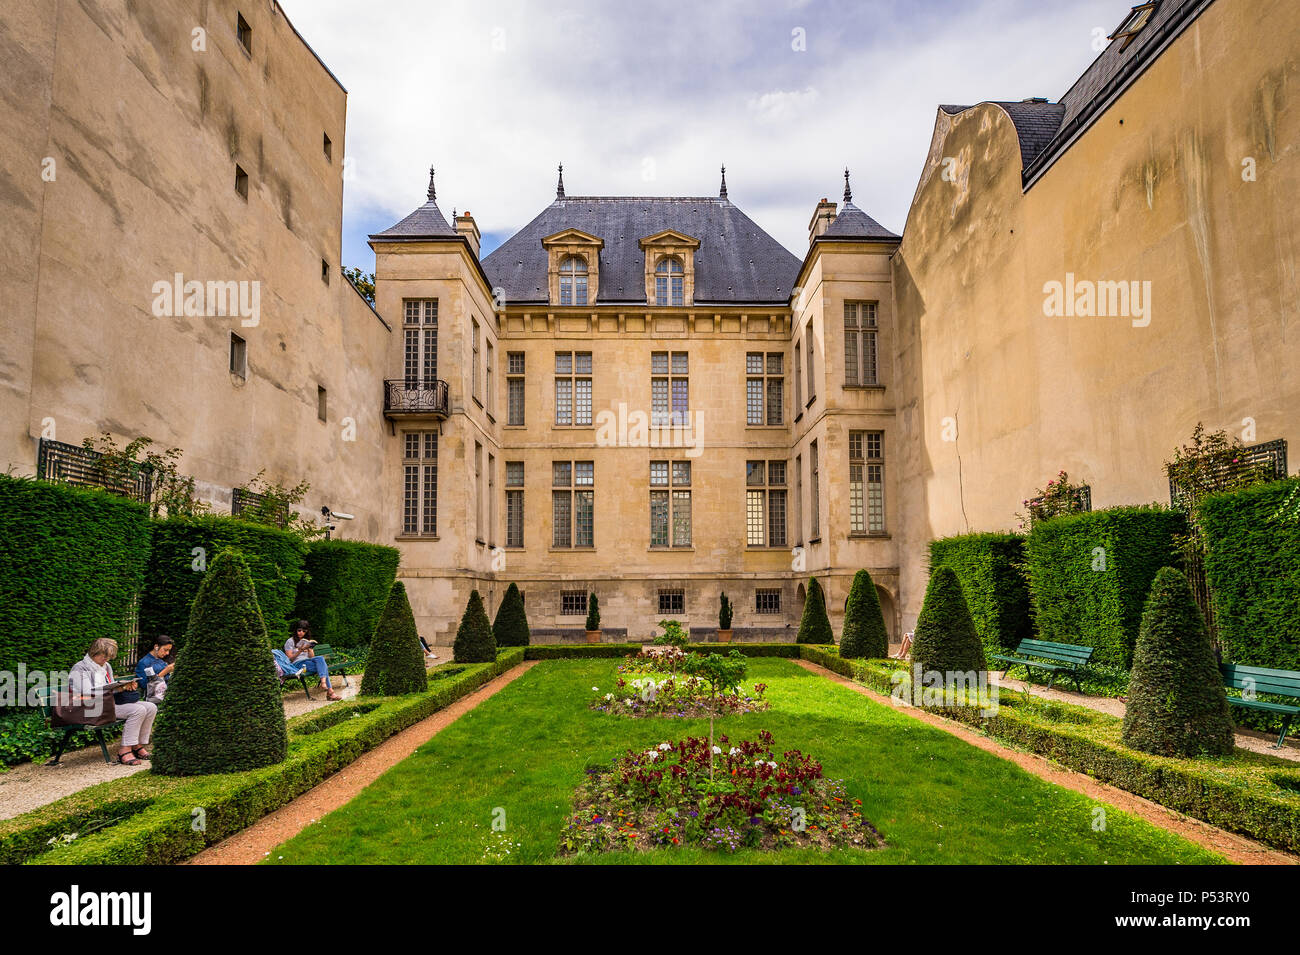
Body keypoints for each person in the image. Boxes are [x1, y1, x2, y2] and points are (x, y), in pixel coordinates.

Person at [68, 637, 157, 766]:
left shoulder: (106, 666)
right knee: (137, 710)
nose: (106, 660)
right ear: (95, 652)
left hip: (107, 703)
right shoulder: (80, 668)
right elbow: (89, 694)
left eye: (109, 657)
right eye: (104, 656)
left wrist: (124, 687)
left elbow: (108, 688)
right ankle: (124, 750)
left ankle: (136, 744)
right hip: (90, 708)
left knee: (150, 707)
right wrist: (118, 688)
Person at [284, 620, 340, 701]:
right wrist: (300, 650)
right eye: (299, 630)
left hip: (308, 662)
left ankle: (324, 684)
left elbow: (312, 657)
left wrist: (309, 649)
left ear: (306, 632)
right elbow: (290, 659)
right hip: (298, 664)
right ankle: (330, 692)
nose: (301, 633)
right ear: (295, 630)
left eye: (304, 631)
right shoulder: (290, 641)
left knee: (320, 659)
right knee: (323, 667)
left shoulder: (307, 641)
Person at [135, 635, 175, 703]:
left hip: (167, 696)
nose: (167, 653)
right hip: (155, 699)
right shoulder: (144, 663)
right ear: (156, 647)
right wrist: (164, 672)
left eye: (169, 650)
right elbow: (145, 686)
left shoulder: (162, 661)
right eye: (165, 650)